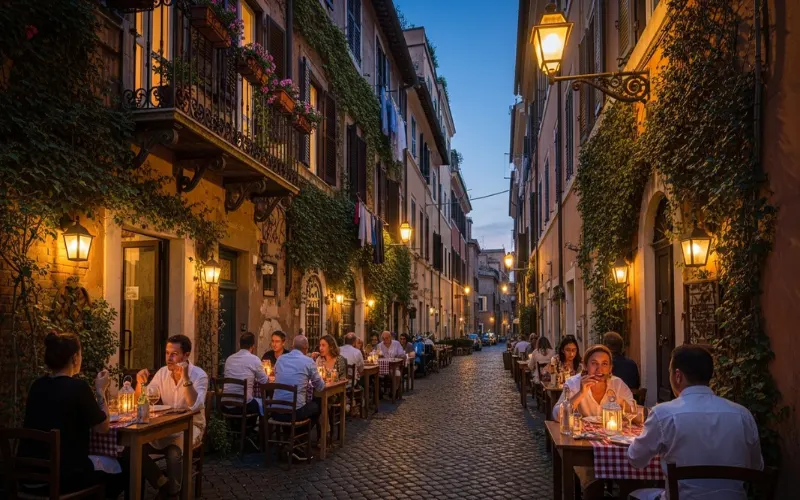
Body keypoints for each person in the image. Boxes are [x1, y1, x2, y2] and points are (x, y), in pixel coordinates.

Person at [627, 345, 763, 500]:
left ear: (677, 376)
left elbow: (635, 459)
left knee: (635, 495)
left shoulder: (663, 414)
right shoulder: (742, 414)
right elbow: (756, 467)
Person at [21, 332, 126, 498]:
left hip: (27, 477)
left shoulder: (37, 386)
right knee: (123, 468)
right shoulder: (78, 387)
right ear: (75, 358)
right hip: (63, 478)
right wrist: (100, 391)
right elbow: (102, 427)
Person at [136, 334, 208, 498]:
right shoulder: (162, 373)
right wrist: (140, 383)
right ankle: (163, 482)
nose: (169, 358)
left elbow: (194, 406)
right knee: (133, 447)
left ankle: (173, 494)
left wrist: (186, 378)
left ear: (186, 355)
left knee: (174, 453)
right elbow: (144, 399)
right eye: (167, 353)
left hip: (191, 427)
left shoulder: (199, 375)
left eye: (174, 354)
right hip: (166, 426)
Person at [551, 344, 635, 420]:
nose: (599, 369)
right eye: (594, 363)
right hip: (582, 434)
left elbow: (634, 413)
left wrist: (626, 407)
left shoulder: (618, 384)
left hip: (611, 434)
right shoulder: (573, 383)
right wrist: (581, 393)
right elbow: (557, 416)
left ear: (610, 368)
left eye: (604, 364)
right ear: (585, 366)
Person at [272, 335, 325, 433]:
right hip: (295, 413)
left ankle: (289, 435)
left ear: (292, 346)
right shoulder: (308, 362)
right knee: (319, 403)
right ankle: (300, 436)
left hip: (276, 411)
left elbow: (276, 375)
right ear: (306, 348)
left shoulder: (280, 359)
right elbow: (320, 387)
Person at [222, 332, 269, 415]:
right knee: (263, 405)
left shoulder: (229, 359)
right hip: (243, 406)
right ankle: (256, 427)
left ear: (239, 344)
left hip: (225, 404)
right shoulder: (254, 359)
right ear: (253, 346)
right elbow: (265, 381)